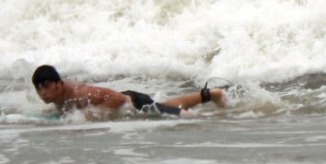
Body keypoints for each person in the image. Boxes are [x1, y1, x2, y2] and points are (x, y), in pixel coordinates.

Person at [31, 64, 228, 118]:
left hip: (133, 102)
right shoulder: (59, 96)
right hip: (133, 102)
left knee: (185, 117)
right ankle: (212, 94)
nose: (43, 93)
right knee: (167, 106)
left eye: (46, 86)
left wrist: (95, 114)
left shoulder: (80, 92)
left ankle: (219, 108)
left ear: (58, 83)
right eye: (39, 89)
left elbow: (116, 98)